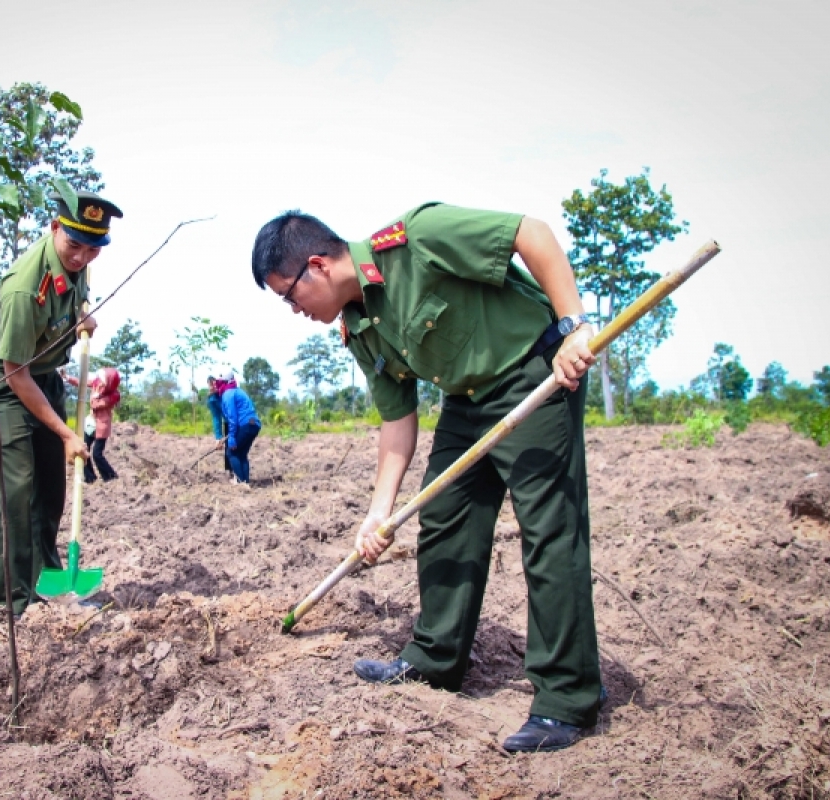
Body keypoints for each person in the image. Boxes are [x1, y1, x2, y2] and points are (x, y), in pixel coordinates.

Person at [250, 204, 601, 752]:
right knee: (443, 519)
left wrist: (573, 326)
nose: (294, 310)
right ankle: (435, 660)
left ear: (316, 266)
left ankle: (565, 699)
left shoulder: (418, 239)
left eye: (289, 295)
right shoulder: (359, 328)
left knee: (550, 533)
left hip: (534, 375)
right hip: (466, 403)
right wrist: (378, 511)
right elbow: (397, 421)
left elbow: (530, 234)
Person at [0, 191, 123, 620]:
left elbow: (73, 302)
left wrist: (81, 319)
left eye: (92, 248)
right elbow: (15, 373)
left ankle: (46, 581)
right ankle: (10, 602)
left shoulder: (78, 266)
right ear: (54, 228)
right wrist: (66, 432)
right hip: (5, 386)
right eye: (74, 244)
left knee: (52, 490)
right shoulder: (24, 288)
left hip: (45, 379)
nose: (81, 256)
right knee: (17, 489)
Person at [65, 366, 121, 483]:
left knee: (97, 454)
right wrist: (67, 378)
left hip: (101, 426)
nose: (99, 381)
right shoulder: (97, 384)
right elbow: (82, 383)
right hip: (91, 424)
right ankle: (90, 477)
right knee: (83, 448)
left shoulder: (113, 396)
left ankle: (111, 477)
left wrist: (96, 396)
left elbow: (96, 404)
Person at [214, 370, 262, 484]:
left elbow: (232, 418)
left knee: (231, 453)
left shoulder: (228, 394)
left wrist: (231, 437)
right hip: (254, 424)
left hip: (245, 425)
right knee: (241, 454)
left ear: (224, 382)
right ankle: (245, 482)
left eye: (219, 382)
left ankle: (241, 482)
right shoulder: (239, 391)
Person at [205, 374, 232, 476]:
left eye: (214, 384)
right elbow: (216, 418)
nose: (212, 387)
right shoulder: (212, 399)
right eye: (210, 385)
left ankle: (240, 473)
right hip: (228, 423)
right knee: (229, 448)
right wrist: (218, 437)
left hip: (237, 421)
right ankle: (231, 472)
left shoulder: (226, 392)